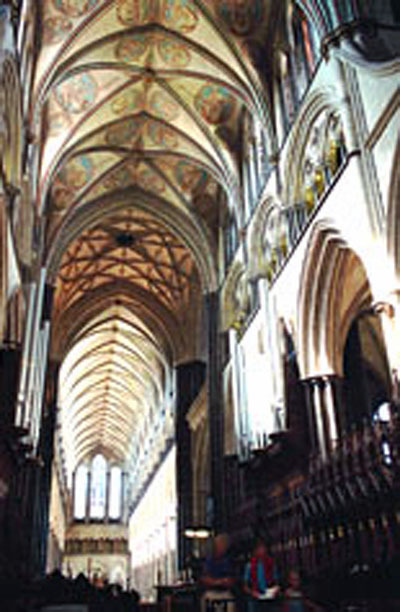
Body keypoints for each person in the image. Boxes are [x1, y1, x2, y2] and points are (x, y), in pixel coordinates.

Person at [200, 533, 236, 612]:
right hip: (211, 593)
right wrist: (218, 582)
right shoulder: (209, 561)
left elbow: (232, 580)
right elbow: (205, 579)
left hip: (225, 593)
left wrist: (227, 582)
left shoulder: (229, 561)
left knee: (230, 600)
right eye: (219, 545)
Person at [243, 539, 279, 610]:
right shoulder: (249, 566)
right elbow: (245, 586)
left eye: (263, 548)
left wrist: (275, 590)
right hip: (255, 600)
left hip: (269, 599)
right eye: (259, 549)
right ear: (255, 551)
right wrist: (252, 593)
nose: (262, 551)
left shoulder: (271, 565)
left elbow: (276, 582)